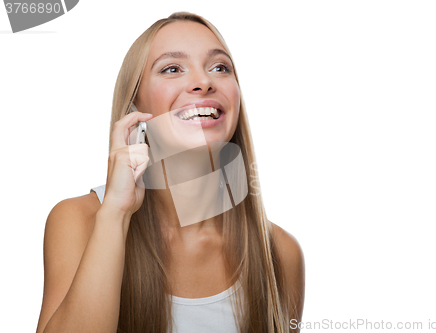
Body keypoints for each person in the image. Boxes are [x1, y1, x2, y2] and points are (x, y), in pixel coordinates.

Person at [36, 11, 305, 333]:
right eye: (172, 68)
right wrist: (116, 215)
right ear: (135, 107)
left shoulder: (280, 252)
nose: (204, 82)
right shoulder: (79, 220)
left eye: (220, 67)